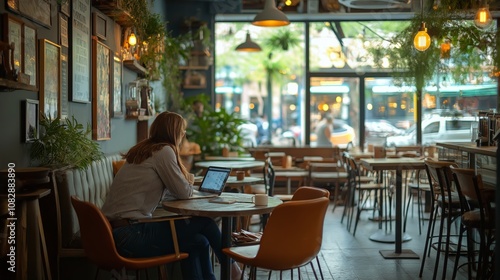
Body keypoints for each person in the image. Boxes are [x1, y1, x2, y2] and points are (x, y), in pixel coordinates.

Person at [101, 112, 242, 280]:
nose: (183, 135)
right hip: (132, 234)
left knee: (199, 241)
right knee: (206, 223)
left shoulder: (144, 149)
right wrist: (188, 180)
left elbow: (169, 192)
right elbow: (183, 192)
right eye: (182, 131)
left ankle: (231, 271)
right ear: (173, 131)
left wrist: (183, 182)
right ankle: (234, 271)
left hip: (119, 232)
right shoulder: (163, 151)